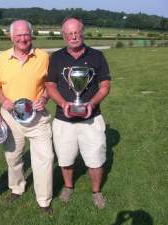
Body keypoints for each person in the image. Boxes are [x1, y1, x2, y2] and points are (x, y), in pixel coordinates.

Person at [45, 17, 111, 209]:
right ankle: (68, 186)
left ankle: (96, 192)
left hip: (92, 119)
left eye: (76, 32)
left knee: (96, 158)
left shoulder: (97, 56)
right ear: (64, 36)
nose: (73, 36)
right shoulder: (56, 58)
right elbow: (50, 85)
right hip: (63, 120)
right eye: (69, 33)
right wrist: (63, 103)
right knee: (65, 158)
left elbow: (105, 86)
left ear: (82, 33)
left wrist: (92, 102)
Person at [0, 20, 54, 213]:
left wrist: (44, 99)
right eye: (18, 35)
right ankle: (17, 188)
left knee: (45, 158)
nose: (22, 38)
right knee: (13, 157)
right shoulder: (1, 58)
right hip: (11, 118)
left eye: (26, 34)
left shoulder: (44, 57)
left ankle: (44, 200)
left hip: (37, 118)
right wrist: (3, 100)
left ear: (31, 35)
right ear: (11, 37)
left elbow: (52, 86)